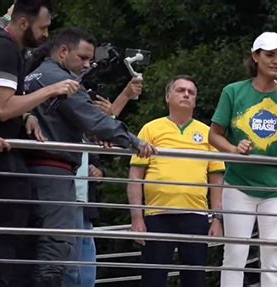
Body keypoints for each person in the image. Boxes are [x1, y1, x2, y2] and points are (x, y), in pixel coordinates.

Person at [24, 27, 155, 286]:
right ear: (63, 51)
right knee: (56, 246)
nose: (88, 65)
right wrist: (133, 142)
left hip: (29, 170)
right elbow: (93, 118)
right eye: (82, 58)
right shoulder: (61, 81)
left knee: (31, 247)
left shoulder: (31, 74)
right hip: (52, 172)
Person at [0, 0, 80, 285]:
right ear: (23, 23)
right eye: (43, 27)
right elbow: (3, 107)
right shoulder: (3, 48)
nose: (47, 34)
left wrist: (26, 114)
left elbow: (3, 102)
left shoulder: (3, 48)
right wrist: (51, 89)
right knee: (9, 238)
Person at [209, 32, 277, 287]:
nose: (276, 61)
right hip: (238, 184)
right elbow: (214, 135)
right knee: (235, 254)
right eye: (270, 55)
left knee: (274, 255)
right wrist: (232, 148)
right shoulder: (233, 91)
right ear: (256, 56)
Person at [127, 75, 225, 287]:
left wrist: (217, 219)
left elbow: (217, 180)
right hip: (156, 215)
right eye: (181, 90)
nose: (186, 94)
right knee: (153, 279)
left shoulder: (208, 134)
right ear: (168, 96)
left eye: (191, 92)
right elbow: (135, 176)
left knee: (195, 280)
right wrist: (137, 218)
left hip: (196, 215)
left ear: (196, 101)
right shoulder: (150, 129)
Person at [63, 80, 144, 287]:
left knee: (86, 263)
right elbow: (101, 125)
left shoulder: (87, 135)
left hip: (85, 201)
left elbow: (103, 134)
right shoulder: (64, 126)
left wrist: (100, 171)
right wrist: (124, 96)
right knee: (68, 262)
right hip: (63, 197)